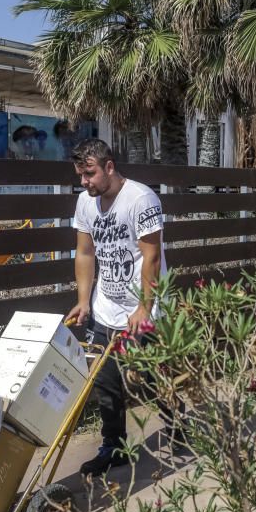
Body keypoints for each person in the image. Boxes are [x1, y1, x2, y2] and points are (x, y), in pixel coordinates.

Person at [65, 138, 170, 476]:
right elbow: (85, 253)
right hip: (106, 307)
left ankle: (178, 420)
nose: (85, 182)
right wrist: (84, 301)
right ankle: (115, 446)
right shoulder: (85, 202)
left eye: (90, 174)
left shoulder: (140, 199)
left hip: (145, 307)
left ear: (109, 166)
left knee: (151, 378)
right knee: (105, 381)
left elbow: (151, 256)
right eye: (80, 175)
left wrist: (144, 306)